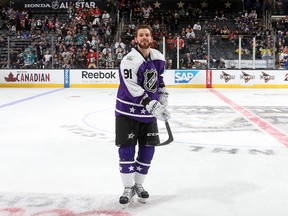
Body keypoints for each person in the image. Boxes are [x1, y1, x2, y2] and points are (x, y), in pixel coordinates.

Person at [115, 24, 171, 207]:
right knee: (127, 149)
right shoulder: (130, 60)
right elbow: (132, 88)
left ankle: (138, 185)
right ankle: (127, 187)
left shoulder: (158, 57)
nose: (144, 38)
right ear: (136, 39)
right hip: (127, 112)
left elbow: (159, 79)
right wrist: (151, 104)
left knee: (148, 150)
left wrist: (163, 97)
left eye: (147, 34)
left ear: (151, 37)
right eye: (141, 35)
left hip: (149, 114)